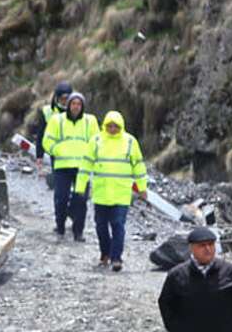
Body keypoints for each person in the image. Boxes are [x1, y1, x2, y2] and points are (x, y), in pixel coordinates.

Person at [84, 110, 147, 271]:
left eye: (116, 126)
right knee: (100, 226)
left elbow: (139, 166)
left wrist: (142, 188)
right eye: (110, 126)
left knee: (118, 225)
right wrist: (80, 186)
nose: (112, 129)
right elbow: (86, 165)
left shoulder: (130, 142)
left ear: (121, 126)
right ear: (105, 125)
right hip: (101, 193)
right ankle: (105, 253)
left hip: (121, 193)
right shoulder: (96, 140)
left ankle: (116, 258)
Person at [42, 92, 97, 240]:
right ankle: (60, 226)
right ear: (68, 105)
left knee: (81, 200)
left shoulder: (90, 121)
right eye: (73, 103)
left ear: (83, 106)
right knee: (61, 198)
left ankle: (78, 232)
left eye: (79, 104)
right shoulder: (56, 120)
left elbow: (96, 141)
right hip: (62, 166)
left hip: (82, 168)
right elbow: (47, 141)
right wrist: (57, 151)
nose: (76, 107)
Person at [25, 81, 72, 178]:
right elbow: (41, 134)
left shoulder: (76, 109)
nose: (65, 101)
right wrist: (39, 156)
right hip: (56, 152)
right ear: (57, 98)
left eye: (68, 98)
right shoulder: (47, 111)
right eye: (63, 98)